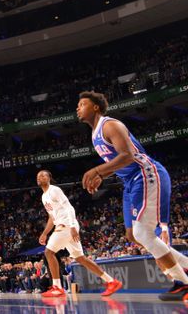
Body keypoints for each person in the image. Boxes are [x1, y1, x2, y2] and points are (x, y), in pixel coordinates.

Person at [78, 91, 188, 301]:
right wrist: (105, 174)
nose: (78, 108)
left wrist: (98, 171)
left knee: (143, 232)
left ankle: (183, 282)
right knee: (133, 234)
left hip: (145, 174)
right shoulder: (94, 135)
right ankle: (183, 274)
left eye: (82, 104)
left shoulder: (110, 125)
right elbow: (118, 161)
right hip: (130, 182)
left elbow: (128, 156)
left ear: (95, 107)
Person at [35, 169, 122, 297]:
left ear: (49, 178)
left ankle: (57, 287)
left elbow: (68, 207)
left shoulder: (55, 190)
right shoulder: (44, 197)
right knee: (81, 259)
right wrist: (44, 233)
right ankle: (111, 281)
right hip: (63, 225)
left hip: (66, 225)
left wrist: (72, 226)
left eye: (43, 175)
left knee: (49, 252)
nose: (40, 177)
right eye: (38, 176)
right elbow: (52, 218)